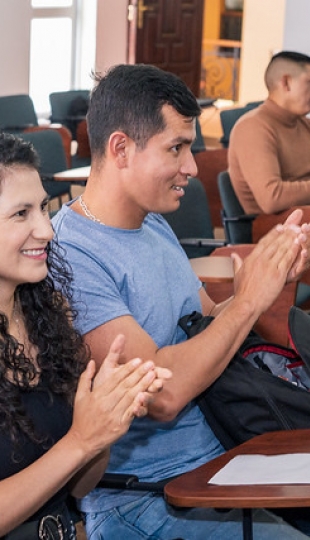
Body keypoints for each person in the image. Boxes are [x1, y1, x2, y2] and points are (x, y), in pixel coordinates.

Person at [52, 63, 310, 540]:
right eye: (177, 148)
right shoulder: (71, 255)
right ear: (121, 149)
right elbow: (163, 395)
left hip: (227, 451)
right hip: (153, 492)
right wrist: (248, 302)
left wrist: (262, 286)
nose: (192, 168)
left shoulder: (151, 223)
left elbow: (207, 322)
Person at [0, 131, 171, 539]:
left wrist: (108, 422)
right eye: (21, 214)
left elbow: (80, 486)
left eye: (43, 208)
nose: (47, 230)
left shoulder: (47, 316)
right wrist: (80, 439)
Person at [229, 50, 310, 215]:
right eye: (309, 82)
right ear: (286, 83)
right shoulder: (253, 127)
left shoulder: (303, 124)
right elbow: (272, 198)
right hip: (276, 228)